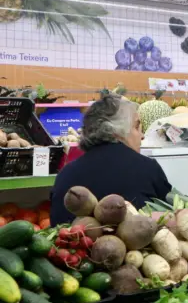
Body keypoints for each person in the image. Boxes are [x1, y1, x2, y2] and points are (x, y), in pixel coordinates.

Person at [50, 94, 171, 226]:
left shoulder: (66, 173)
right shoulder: (148, 168)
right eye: (136, 127)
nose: (142, 136)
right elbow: (168, 217)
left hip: (74, 245)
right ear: (117, 130)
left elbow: (57, 226)